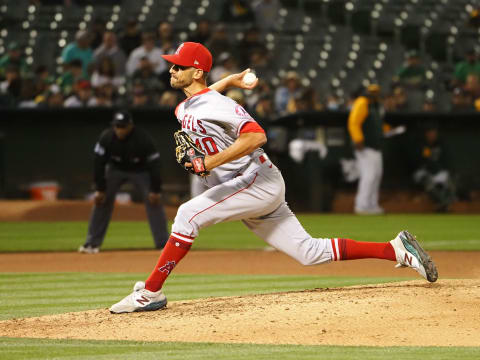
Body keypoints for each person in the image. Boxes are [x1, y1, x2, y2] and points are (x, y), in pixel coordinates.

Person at [109, 42, 437, 314]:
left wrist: (210, 160)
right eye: (172, 65)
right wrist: (232, 80)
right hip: (254, 187)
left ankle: (150, 293)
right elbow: (205, 97)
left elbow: (256, 136)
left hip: (255, 180)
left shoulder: (218, 106)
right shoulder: (187, 106)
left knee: (186, 214)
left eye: (178, 66)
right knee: (308, 252)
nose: (171, 70)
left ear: (196, 72)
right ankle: (397, 249)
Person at [79, 110, 169, 254]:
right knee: (101, 201)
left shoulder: (143, 139)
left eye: (123, 126)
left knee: (154, 201)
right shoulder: (107, 137)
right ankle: (91, 244)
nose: (119, 130)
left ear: (130, 126)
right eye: (117, 126)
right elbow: (98, 163)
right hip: (115, 170)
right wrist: (100, 188)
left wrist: (155, 190)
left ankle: (163, 244)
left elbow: (155, 164)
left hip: (141, 170)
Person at [347, 84, 386, 215]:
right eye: (371, 92)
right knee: (369, 176)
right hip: (365, 146)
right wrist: (358, 139)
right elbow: (353, 122)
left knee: (376, 175)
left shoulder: (374, 105)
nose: (374, 94)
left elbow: (375, 125)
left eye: (376, 91)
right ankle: (362, 205)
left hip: (375, 146)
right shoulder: (362, 102)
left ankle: (371, 205)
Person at [413, 122, 455, 212]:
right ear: (426, 134)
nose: (432, 135)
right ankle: (442, 203)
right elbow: (422, 161)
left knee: (450, 183)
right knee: (428, 182)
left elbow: (446, 160)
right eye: (430, 133)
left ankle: (445, 204)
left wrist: (441, 171)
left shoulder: (441, 144)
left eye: (433, 133)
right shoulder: (421, 145)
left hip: (439, 172)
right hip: (424, 172)